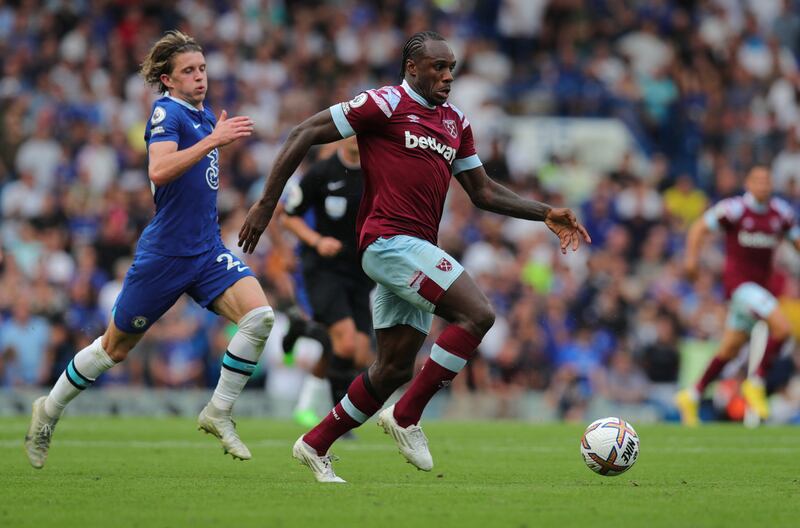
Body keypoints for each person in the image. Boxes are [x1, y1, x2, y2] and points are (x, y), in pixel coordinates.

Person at [238, 31, 590, 483]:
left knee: (391, 368)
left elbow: (482, 192)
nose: (447, 77)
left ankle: (314, 443)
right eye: (438, 68)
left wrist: (544, 213)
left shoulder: (455, 122)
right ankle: (406, 416)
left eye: (452, 69)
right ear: (412, 68)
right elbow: (303, 132)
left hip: (415, 251)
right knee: (478, 314)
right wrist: (267, 204)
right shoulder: (384, 104)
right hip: (388, 242)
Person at [24, 30, 274, 468]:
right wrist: (213, 141)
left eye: (202, 69)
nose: (200, 77)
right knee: (113, 349)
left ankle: (218, 411)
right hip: (166, 255)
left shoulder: (204, 115)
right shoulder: (166, 113)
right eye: (189, 71)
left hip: (205, 250)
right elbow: (159, 170)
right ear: (167, 79)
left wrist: (212, 139)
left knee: (259, 318)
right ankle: (48, 410)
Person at [675, 167, 800, 426]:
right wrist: (691, 259)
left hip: (760, 290)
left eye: (767, 181)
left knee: (729, 349)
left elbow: (796, 240)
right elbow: (699, 227)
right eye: (757, 181)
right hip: (739, 287)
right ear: (748, 183)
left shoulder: (781, 213)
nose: (763, 185)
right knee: (782, 328)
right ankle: (755, 382)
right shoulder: (734, 209)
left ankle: (692, 394)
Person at [280, 136, 374, 427]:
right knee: (344, 344)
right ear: (341, 135)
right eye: (353, 130)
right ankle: (339, 424)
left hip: (360, 272)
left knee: (359, 355)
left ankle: (303, 328)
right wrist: (317, 241)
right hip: (324, 268)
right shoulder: (322, 172)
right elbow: (288, 216)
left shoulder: (378, 173)